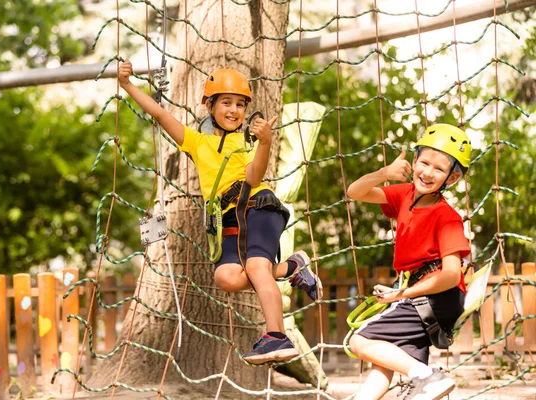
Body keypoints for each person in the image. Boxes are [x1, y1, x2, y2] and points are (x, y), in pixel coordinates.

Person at [118, 60, 322, 364]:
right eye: (226, 102)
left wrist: (265, 142)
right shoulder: (197, 142)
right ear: (210, 106)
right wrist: (127, 85)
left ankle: (277, 336)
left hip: (259, 206)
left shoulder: (247, 141)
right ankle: (292, 267)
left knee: (255, 267)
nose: (234, 109)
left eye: (240, 104)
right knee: (227, 277)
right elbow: (160, 114)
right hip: (227, 217)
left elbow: (254, 177)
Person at [346, 123, 472, 400]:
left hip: (436, 296)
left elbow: (451, 275)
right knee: (385, 364)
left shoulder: (446, 216)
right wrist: (384, 174)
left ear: (451, 179)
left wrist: (401, 294)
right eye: (424, 162)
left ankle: (429, 377)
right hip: (421, 294)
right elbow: (354, 192)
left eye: (439, 169)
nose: (427, 172)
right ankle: (421, 378)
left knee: (361, 340)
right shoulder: (404, 195)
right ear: (414, 161)